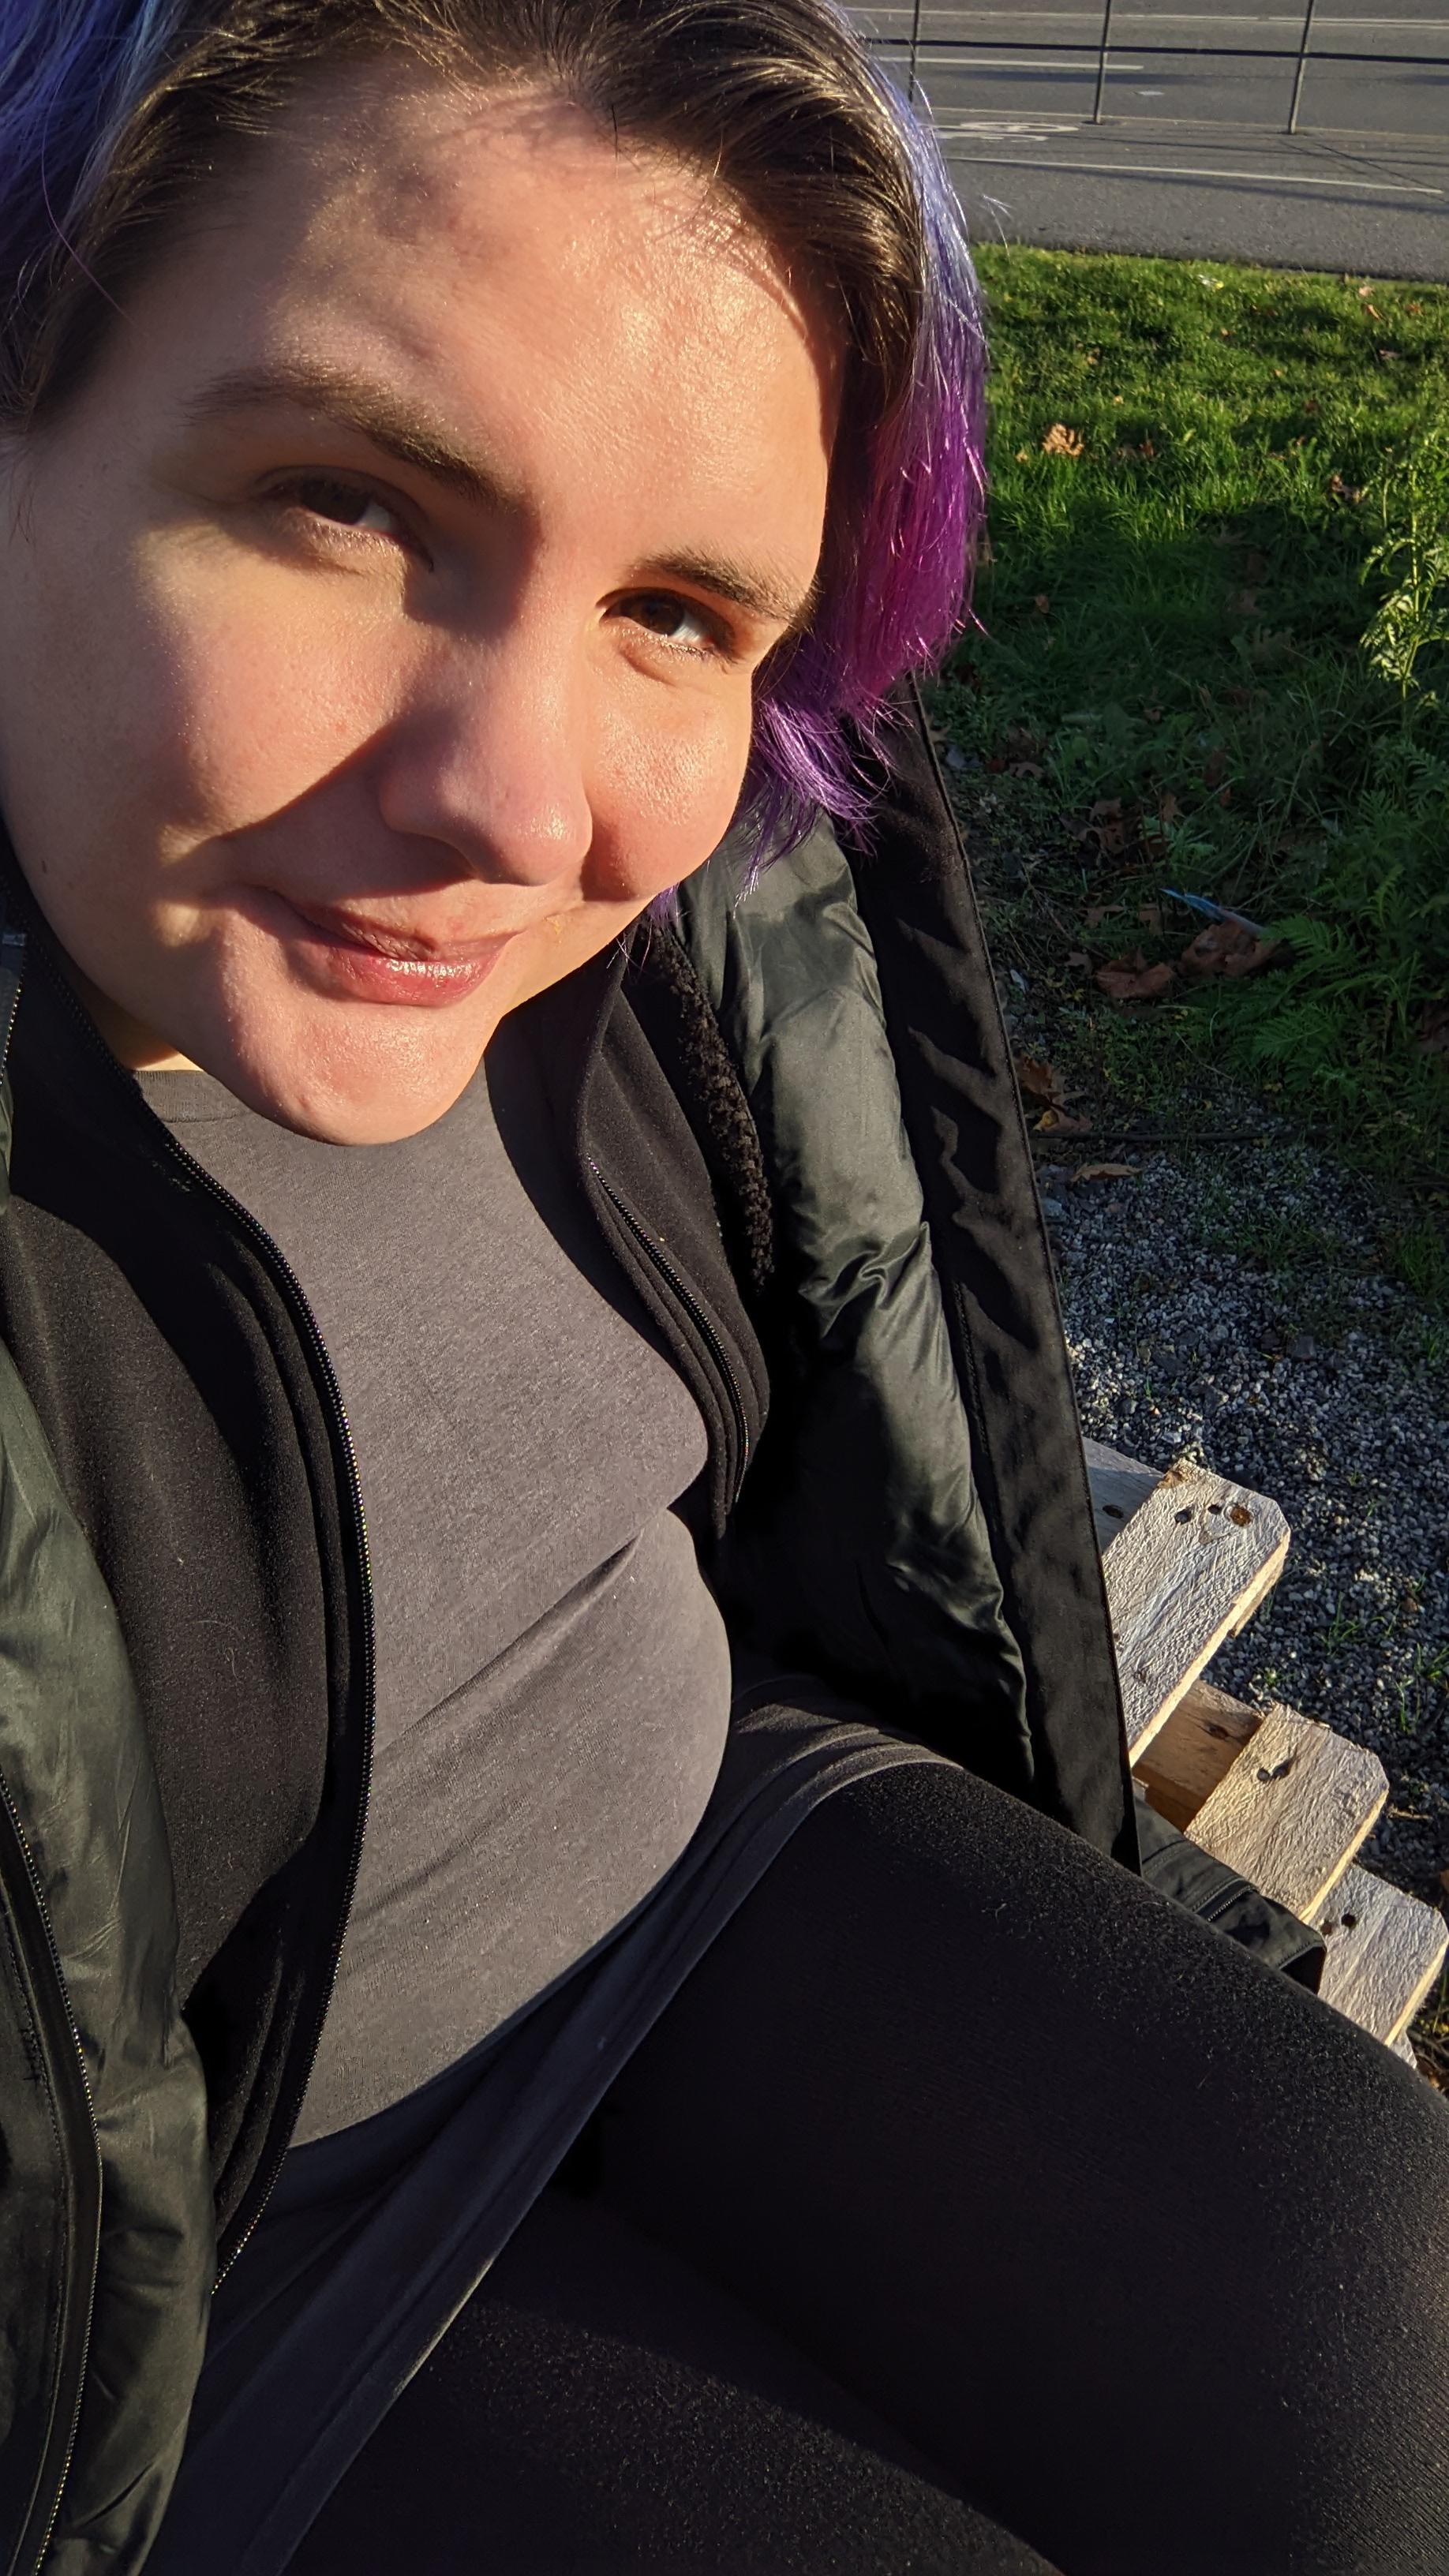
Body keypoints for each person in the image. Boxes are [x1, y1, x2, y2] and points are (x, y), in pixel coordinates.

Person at [0, 2, 1444, 2570]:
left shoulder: (683, 936)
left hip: (720, 1833)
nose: (527, 803)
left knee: (1354, 2265)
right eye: (342, 499)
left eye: (679, 610)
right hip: (199, 2275)